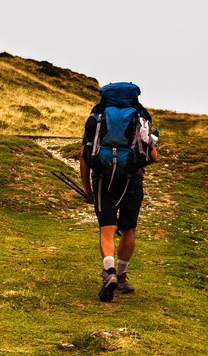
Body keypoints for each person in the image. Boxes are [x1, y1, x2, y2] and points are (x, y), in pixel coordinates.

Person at [79, 83, 159, 302]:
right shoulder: (140, 118)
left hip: (103, 178)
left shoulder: (97, 117)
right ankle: (121, 277)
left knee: (107, 228)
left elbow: (84, 155)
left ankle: (109, 271)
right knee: (129, 229)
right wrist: (135, 165)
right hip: (132, 180)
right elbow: (153, 156)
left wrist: (87, 188)